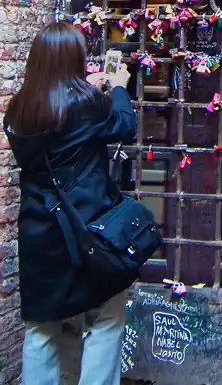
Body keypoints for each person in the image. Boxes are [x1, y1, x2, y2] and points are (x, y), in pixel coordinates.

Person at [4, 23, 137, 385]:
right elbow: (125, 125)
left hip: (39, 231)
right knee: (106, 317)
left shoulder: (19, 108)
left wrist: (84, 89)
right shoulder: (85, 105)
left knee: (40, 327)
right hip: (85, 228)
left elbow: (61, 124)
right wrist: (119, 87)